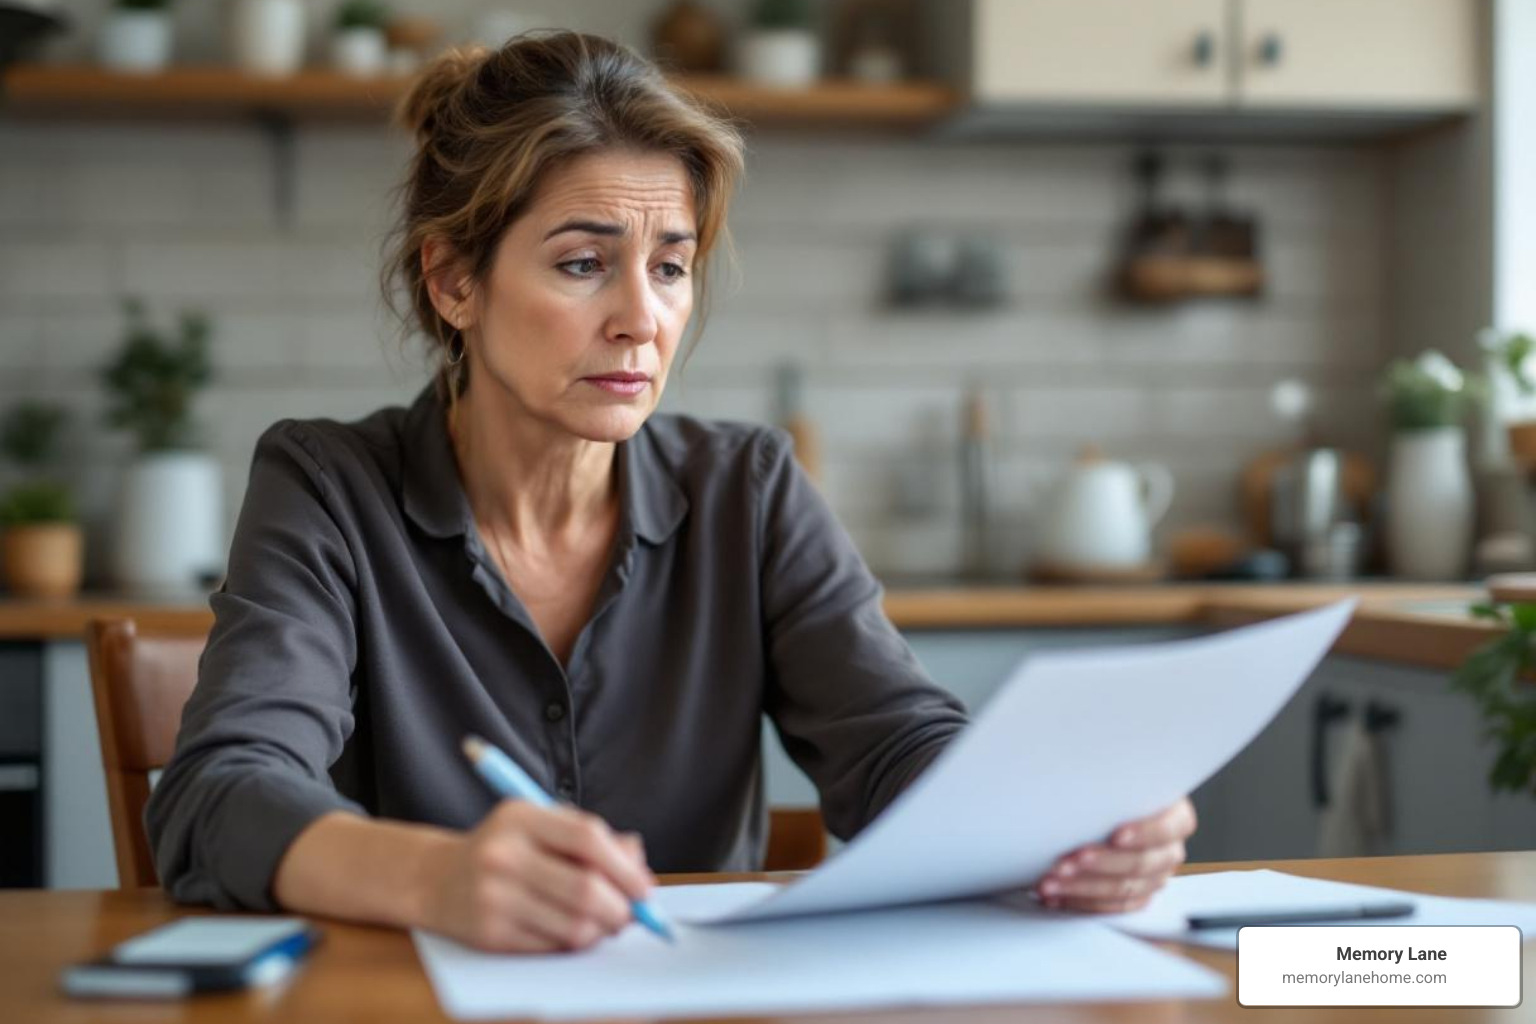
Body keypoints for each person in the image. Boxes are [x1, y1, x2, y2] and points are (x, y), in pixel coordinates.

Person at [146, 31, 1196, 955]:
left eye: (672, 266)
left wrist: (1052, 817)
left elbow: (893, 741)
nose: (641, 319)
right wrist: (435, 877)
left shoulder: (748, 485)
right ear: (454, 281)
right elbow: (219, 794)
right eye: (582, 263)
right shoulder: (328, 487)